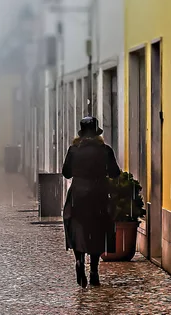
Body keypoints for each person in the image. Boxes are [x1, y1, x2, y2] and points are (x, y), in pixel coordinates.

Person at [62, 116, 121, 288]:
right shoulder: (105, 150)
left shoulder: (73, 149)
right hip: (99, 193)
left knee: (76, 226)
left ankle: (79, 260)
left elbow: (66, 173)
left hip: (78, 193)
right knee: (98, 228)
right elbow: (115, 172)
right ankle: (94, 270)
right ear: (97, 133)